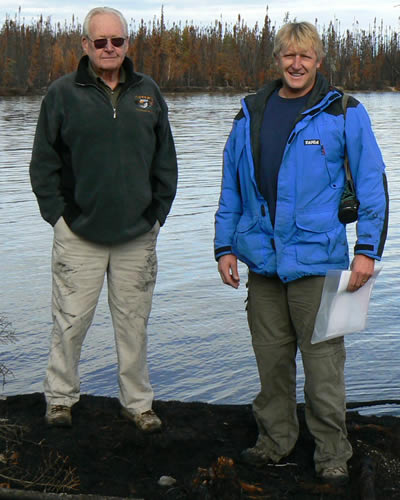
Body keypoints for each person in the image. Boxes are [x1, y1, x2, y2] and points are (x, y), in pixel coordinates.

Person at [214, 22, 388, 482]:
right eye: (288, 55)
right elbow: (231, 187)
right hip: (263, 265)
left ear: (318, 61)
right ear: (278, 59)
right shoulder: (250, 113)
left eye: (305, 56)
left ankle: (332, 452)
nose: (296, 64)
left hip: (319, 262)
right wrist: (224, 245)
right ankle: (276, 440)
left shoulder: (344, 112)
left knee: (323, 368)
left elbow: (373, 185)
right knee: (271, 363)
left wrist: (367, 251)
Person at [29, 6, 178, 432]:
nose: (109, 48)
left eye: (117, 41)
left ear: (127, 44)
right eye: (100, 42)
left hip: (137, 235)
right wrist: (59, 217)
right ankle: (59, 398)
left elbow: (165, 161)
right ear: (85, 46)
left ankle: (137, 404)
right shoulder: (61, 94)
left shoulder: (148, 93)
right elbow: (43, 165)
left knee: (134, 324)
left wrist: (157, 215)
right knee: (69, 321)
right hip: (79, 234)